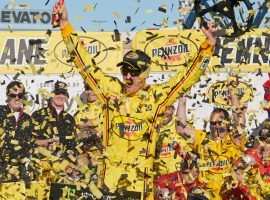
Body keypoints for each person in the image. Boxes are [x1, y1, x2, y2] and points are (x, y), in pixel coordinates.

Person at [54, 2, 217, 198]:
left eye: (134, 72)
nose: (128, 77)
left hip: (140, 186)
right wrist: (65, 26)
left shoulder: (156, 97)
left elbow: (186, 77)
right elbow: (84, 64)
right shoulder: (111, 90)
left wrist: (207, 47)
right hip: (110, 184)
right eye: (125, 71)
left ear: (145, 74)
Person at [176, 75, 247, 199]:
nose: (216, 126)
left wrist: (232, 91)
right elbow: (181, 128)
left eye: (220, 122)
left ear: (227, 123)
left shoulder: (234, 139)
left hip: (231, 195)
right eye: (213, 123)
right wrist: (182, 99)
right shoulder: (202, 139)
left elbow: (240, 119)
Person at [0, 81, 34, 198]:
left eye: (20, 95)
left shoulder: (28, 119)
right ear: (7, 96)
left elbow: (31, 143)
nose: (17, 98)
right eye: (13, 95)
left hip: (20, 173)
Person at [154, 105, 192, 199]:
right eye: (161, 108)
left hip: (180, 182)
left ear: (173, 110)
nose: (164, 112)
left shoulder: (180, 126)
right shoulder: (152, 128)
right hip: (161, 184)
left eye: (167, 108)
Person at [32, 80, 77, 152]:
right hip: (43, 159)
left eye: (63, 94)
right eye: (57, 93)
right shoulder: (38, 114)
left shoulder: (70, 118)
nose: (60, 96)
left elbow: (72, 141)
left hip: (64, 160)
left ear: (66, 97)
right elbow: (30, 140)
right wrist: (48, 142)